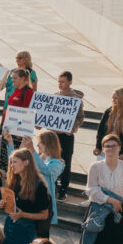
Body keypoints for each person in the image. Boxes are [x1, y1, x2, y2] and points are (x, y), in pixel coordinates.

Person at [1, 148, 51, 244]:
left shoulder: (39, 186)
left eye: (15, 162)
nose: (12, 166)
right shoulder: (15, 180)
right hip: (9, 225)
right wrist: (4, 203)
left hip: (26, 229)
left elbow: (44, 215)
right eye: (11, 162)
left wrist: (23, 215)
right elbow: (12, 205)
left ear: (26, 162)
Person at [54, 71, 85, 200]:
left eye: (63, 82)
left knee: (66, 162)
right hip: (54, 135)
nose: (60, 84)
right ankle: (53, 184)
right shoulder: (55, 96)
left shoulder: (76, 99)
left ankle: (63, 189)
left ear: (70, 82)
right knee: (52, 160)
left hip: (67, 135)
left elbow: (80, 118)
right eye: (59, 81)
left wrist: (72, 129)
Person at [95, 88, 123, 159]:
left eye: (116, 98)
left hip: (119, 152)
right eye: (112, 98)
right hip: (105, 148)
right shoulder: (108, 112)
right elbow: (100, 131)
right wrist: (98, 147)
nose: (113, 100)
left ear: (122, 99)